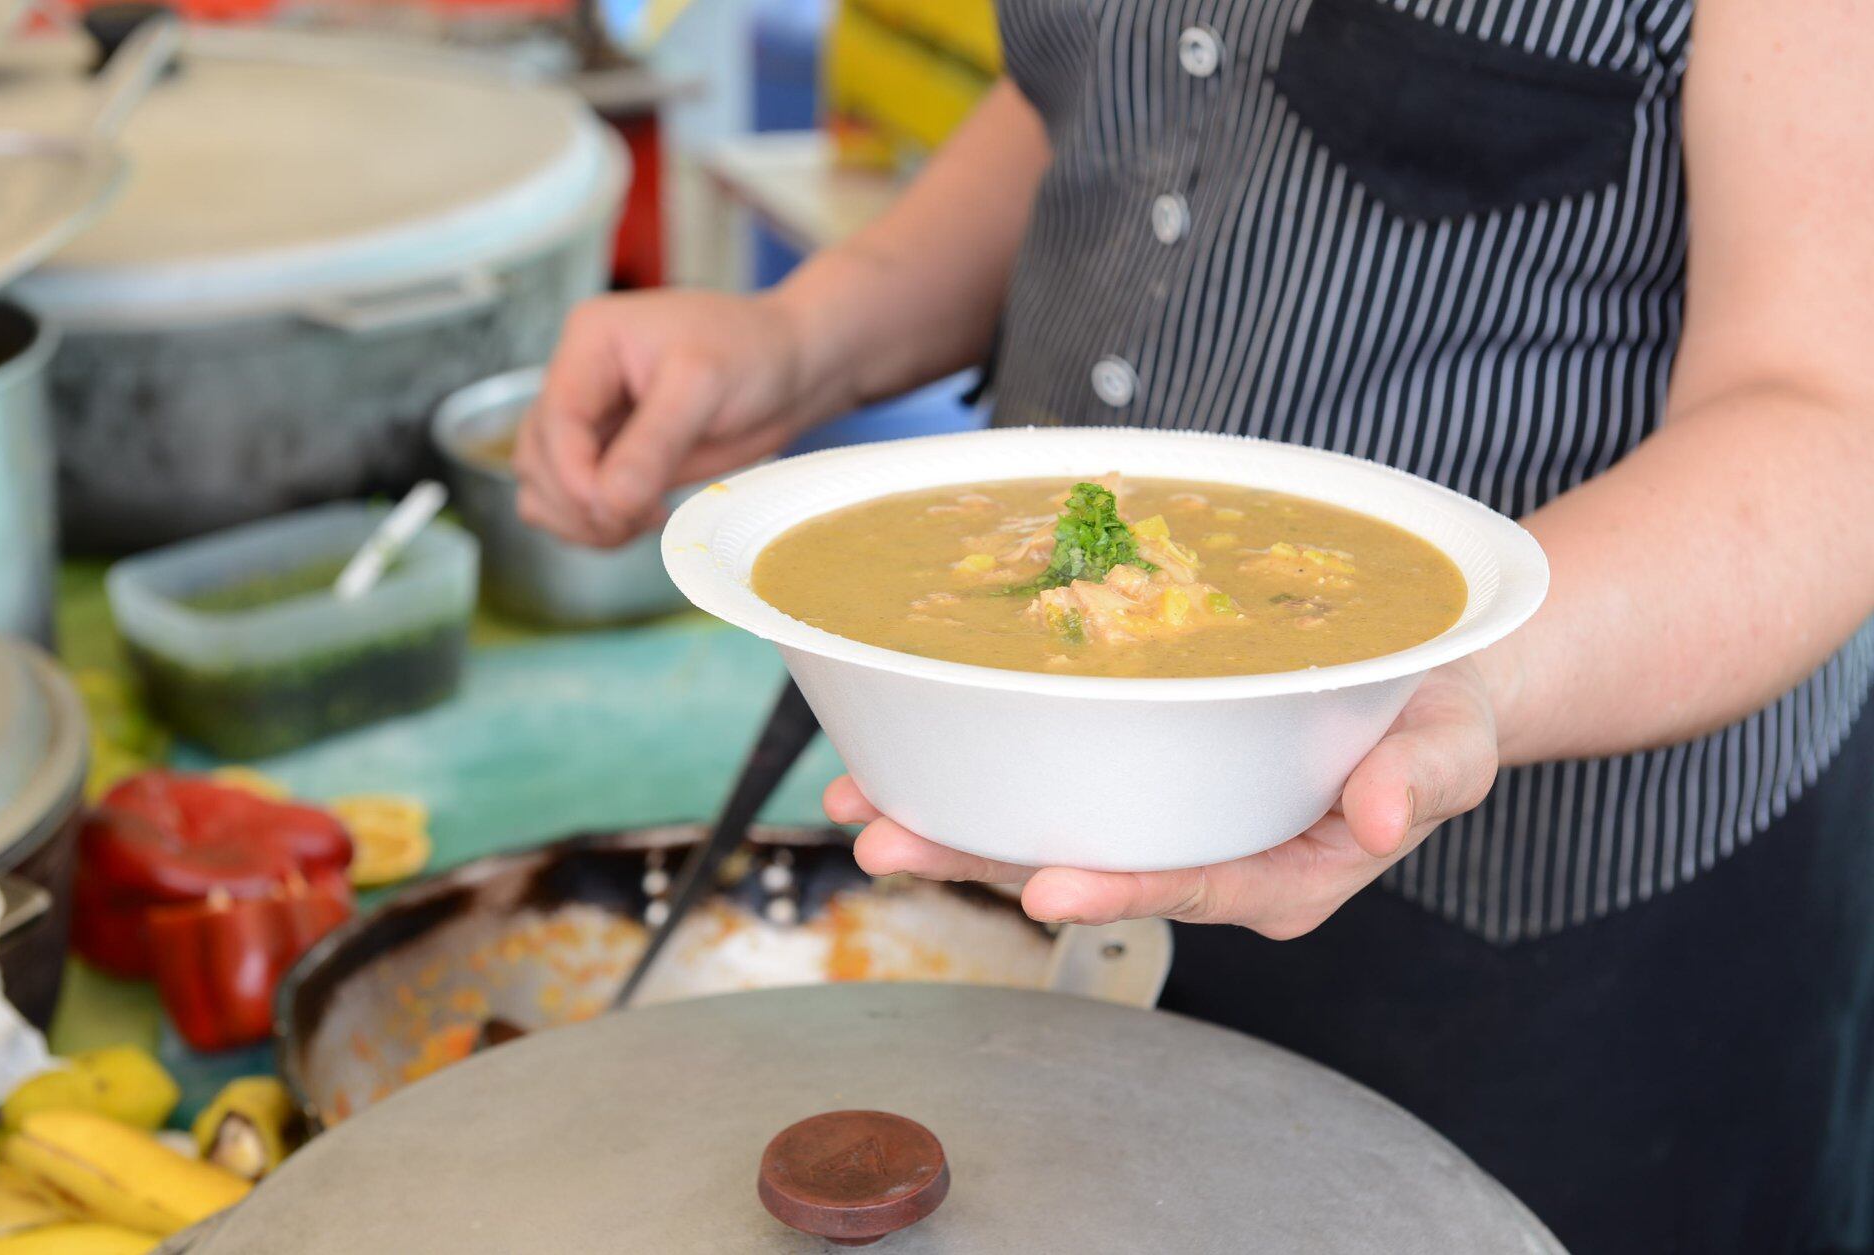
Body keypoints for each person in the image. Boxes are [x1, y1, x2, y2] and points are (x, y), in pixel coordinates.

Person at [514, 2, 1873, 1250]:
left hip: (1547, 938)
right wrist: (811, 336)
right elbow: (1113, 91)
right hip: (1041, 824)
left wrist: (1469, 687)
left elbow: (1827, 418)